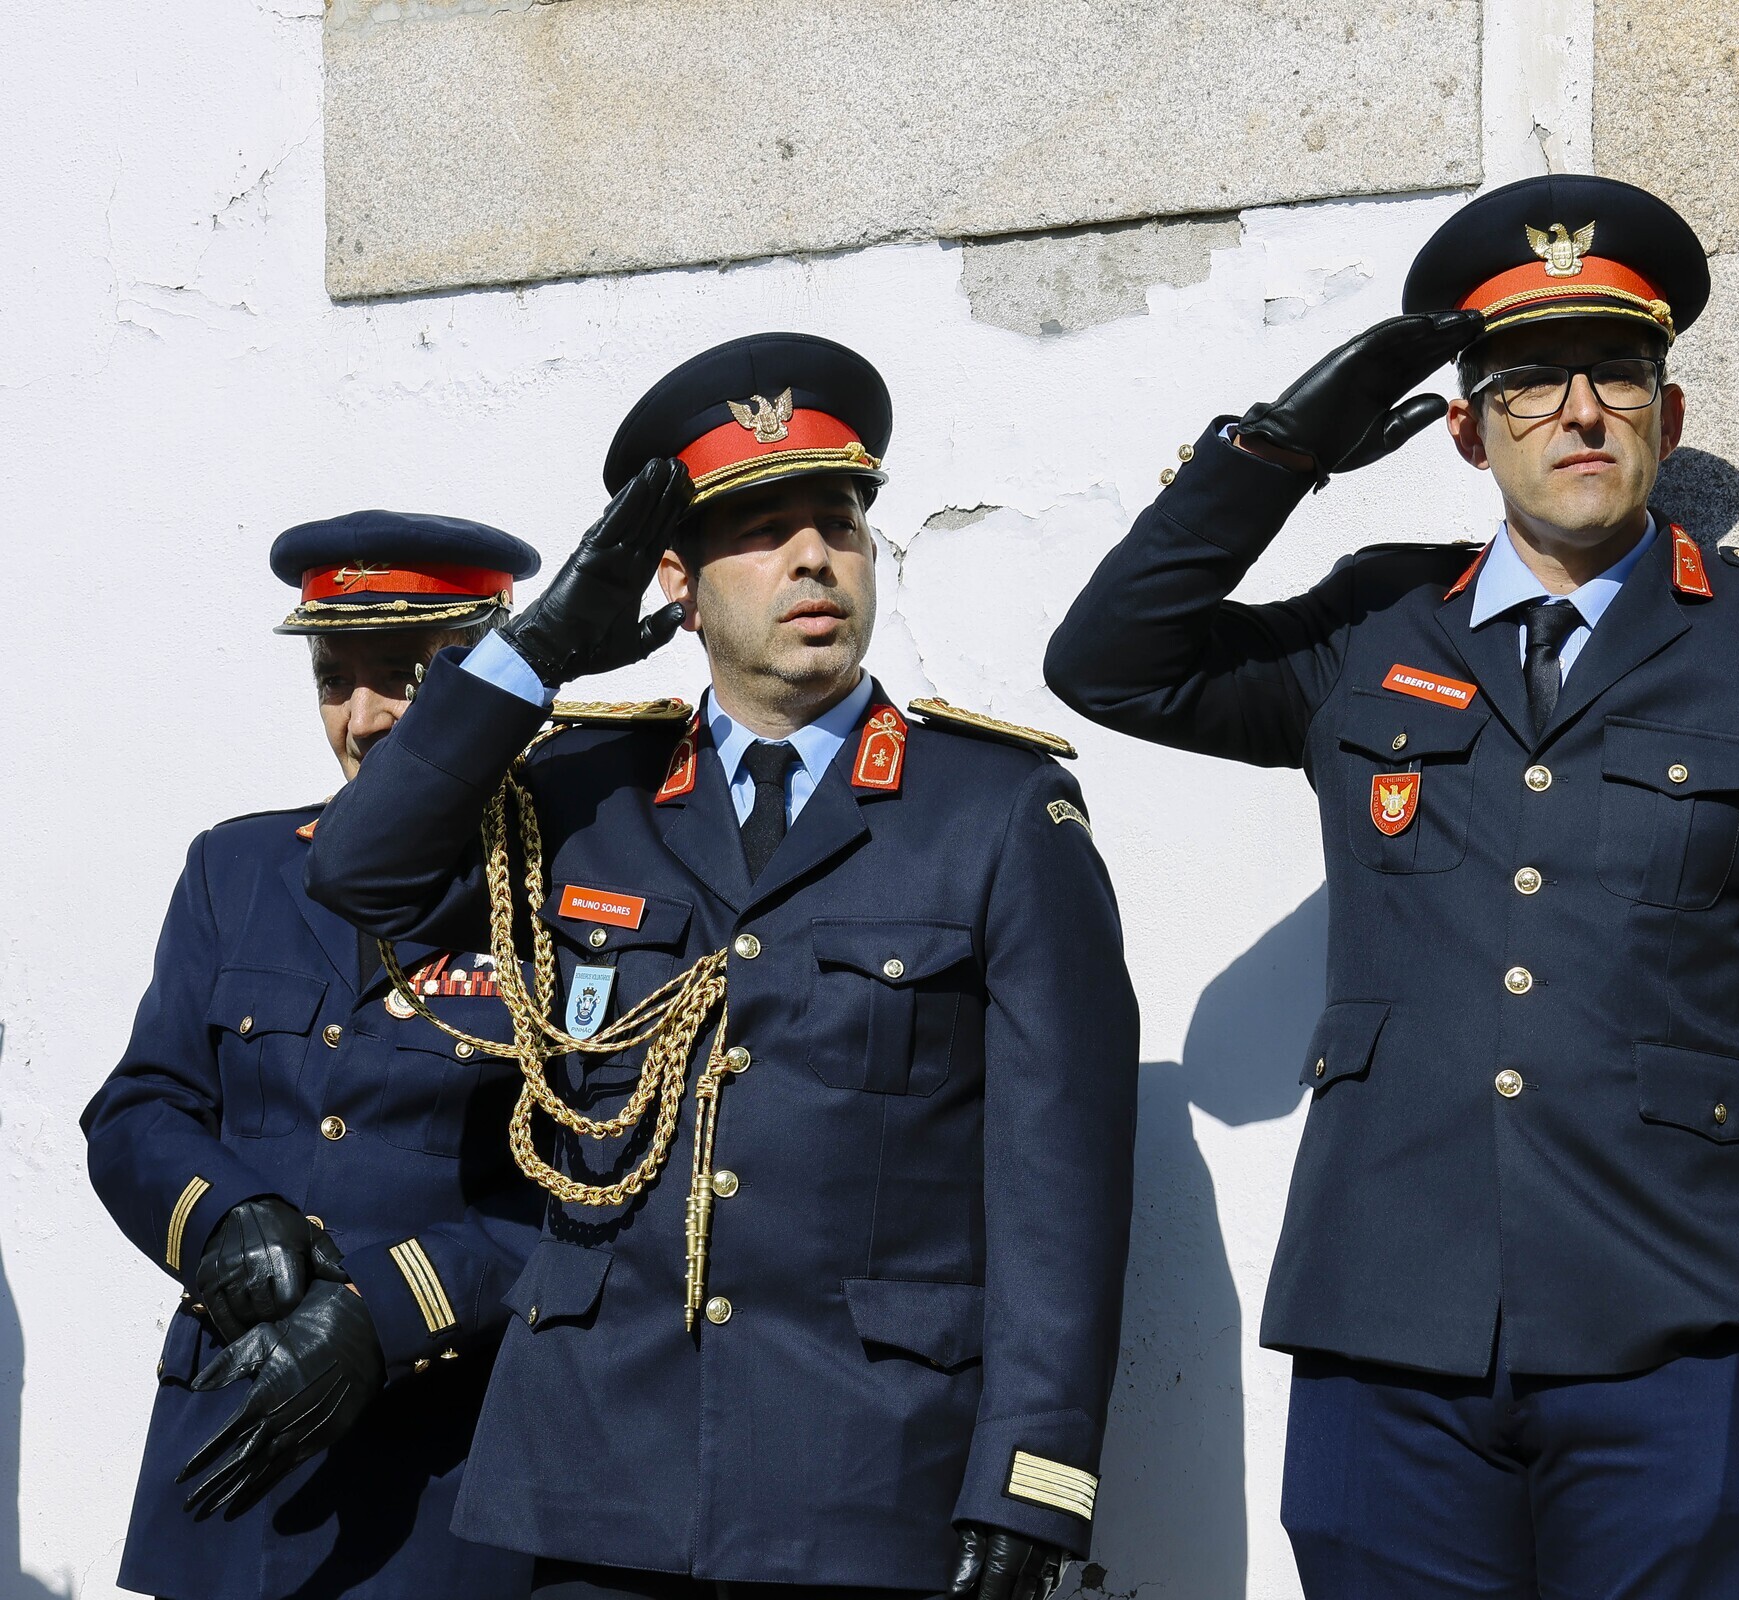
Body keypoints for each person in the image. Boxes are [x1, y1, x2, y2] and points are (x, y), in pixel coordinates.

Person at [1042, 173, 1739, 1599]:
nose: (1581, 413)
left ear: (1670, 412)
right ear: (1468, 431)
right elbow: (1110, 662)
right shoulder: (1370, 625)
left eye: (1618, 374)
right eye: (1532, 383)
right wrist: (1281, 451)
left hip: (1676, 1324)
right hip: (1384, 1329)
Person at [303, 332, 1139, 1600]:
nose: (814, 557)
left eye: (839, 523)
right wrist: (533, 652)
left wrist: (1033, 1476)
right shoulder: (582, 791)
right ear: (676, 583)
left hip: (868, 1477)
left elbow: (1061, 1184)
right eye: (762, 531)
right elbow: (360, 873)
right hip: (597, 1472)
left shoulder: (997, 812)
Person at [84, 512, 546, 1599]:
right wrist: (224, 1216)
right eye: (335, 679)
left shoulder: (570, 889)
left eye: (407, 678)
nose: (364, 719)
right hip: (229, 1463)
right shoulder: (237, 868)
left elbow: (596, 1186)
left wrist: (390, 1306)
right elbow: (141, 1106)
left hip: (448, 1472)